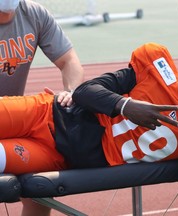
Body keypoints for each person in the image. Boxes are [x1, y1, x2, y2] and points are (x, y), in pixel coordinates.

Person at [0, 43, 178, 206]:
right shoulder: (157, 72)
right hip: (48, 113)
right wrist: (126, 106)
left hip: (58, 154)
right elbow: (85, 91)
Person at [0, 0, 84, 215]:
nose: (7, 15)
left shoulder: (34, 14)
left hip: (17, 118)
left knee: (41, 187)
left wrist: (71, 92)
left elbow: (69, 61)